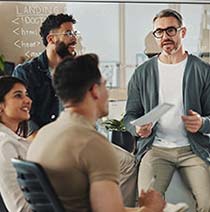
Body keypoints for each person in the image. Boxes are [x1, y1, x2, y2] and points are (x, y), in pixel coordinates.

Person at [27, 54, 165, 212]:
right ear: (94, 91)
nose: (107, 92)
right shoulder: (92, 144)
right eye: (104, 85)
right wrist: (149, 209)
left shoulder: (44, 134)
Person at [124, 8, 210, 212]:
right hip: (155, 150)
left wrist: (203, 123)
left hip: (193, 151)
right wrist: (136, 129)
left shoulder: (202, 70)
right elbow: (130, 116)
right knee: (146, 205)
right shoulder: (142, 73)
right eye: (159, 32)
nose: (165, 37)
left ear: (183, 32)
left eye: (170, 30)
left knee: (207, 203)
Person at [13, 13, 78, 138]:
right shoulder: (26, 72)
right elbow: (22, 116)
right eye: (68, 33)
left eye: (75, 33)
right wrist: (43, 140)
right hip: (39, 143)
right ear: (51, 39)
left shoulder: (75, 72)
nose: (75, 39)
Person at [0, 76, 32, 212]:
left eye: (26, 95)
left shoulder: (14, 139)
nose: (28, 101)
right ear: (1, 106)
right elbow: (19, 208)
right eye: (18, 96)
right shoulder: (4, 144)